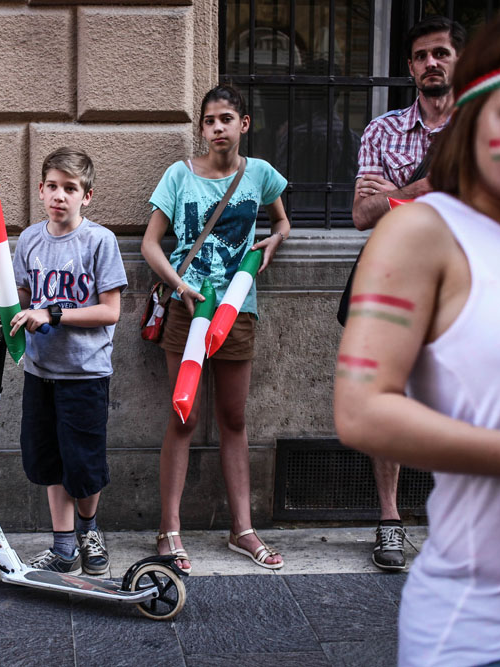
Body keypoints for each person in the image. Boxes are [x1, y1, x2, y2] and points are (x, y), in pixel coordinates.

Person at [334, 15, 500, 665]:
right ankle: (390, 517)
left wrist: (398, 192)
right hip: (496, 630)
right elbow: (359, 409)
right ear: (479, 117)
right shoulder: (426, 232)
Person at [140, 85, 290, 573]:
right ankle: (169, 530)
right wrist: (179, 284)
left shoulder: (261, 175)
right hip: (188, 307)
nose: (217, 127)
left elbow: (283, 222)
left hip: (237, 310)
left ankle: (241, 529)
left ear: (244, 124)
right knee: (183, 416)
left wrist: (273, 241)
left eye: (227, 118)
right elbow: (150, 244)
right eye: (209, 121)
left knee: (234, 420)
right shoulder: (179, 176)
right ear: (201, 128)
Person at [350, 15, 465, 572]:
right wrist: (420, 188)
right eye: (420, 56)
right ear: (411, 67)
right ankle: (390, 521)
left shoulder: (484, 129)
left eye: (440, 53)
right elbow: (362, 214)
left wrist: (395, 195)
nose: (430, 64)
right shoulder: (383, 132)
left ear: (458, 61)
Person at [9, 147, 127, 575]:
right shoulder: (28, 240)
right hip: (41, 373)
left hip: (85, 374)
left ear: (87, 196)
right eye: (53, 187)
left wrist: (53, 313)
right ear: (41, 191)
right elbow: (22, 299)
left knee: (84, 463)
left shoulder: (100, 241)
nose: (60, 195)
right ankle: (62, 548)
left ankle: (88, 531)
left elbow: (110, 311)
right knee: (51, 460)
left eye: (70, 188)